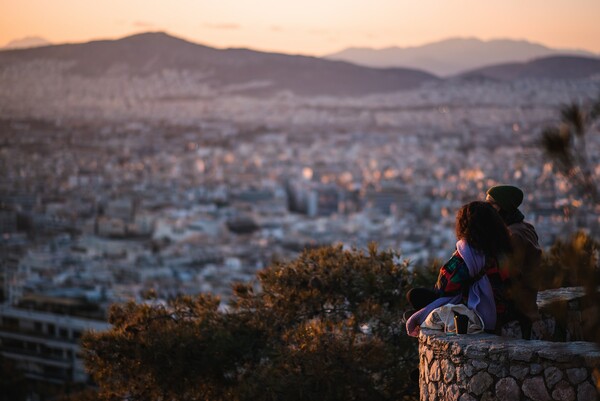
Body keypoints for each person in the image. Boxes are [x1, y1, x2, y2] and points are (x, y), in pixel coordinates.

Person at [406, 201, 512, 336]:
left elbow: (446, 286)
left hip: (478, 310)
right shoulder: (504, 248)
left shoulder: (468, 252)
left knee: (415, 295)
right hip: (504, 308)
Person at [485, 185, 543, 339]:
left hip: (518, 308)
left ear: (503, 208)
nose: (488, 209)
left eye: (491, 204)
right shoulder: (524, 228)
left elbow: (510, 274)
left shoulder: (513, 235)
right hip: (527, 303)